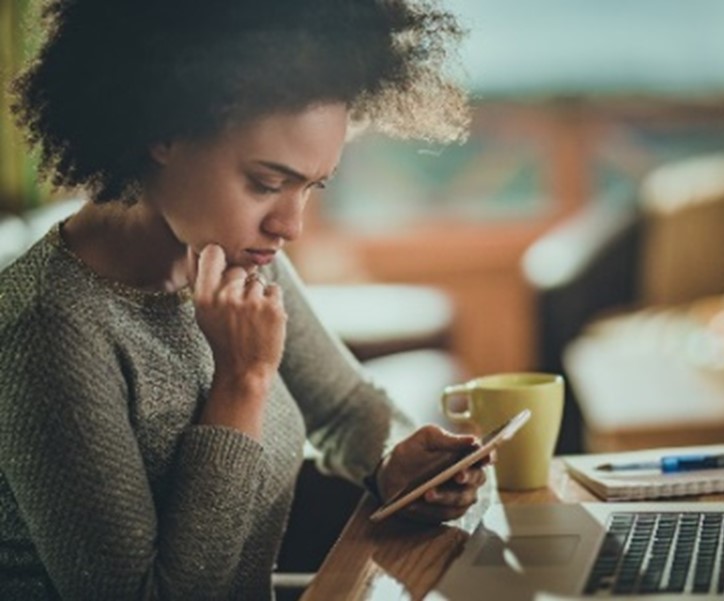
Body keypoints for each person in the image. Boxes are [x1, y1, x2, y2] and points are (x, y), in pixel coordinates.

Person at [0, 0, 486, 598]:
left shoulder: (236, 254)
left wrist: (398, 465)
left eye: (312, 187)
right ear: (163, 131)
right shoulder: (48, 329)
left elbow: (344, 409)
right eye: (267, 183)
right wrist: (241, 383)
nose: (290, 225)